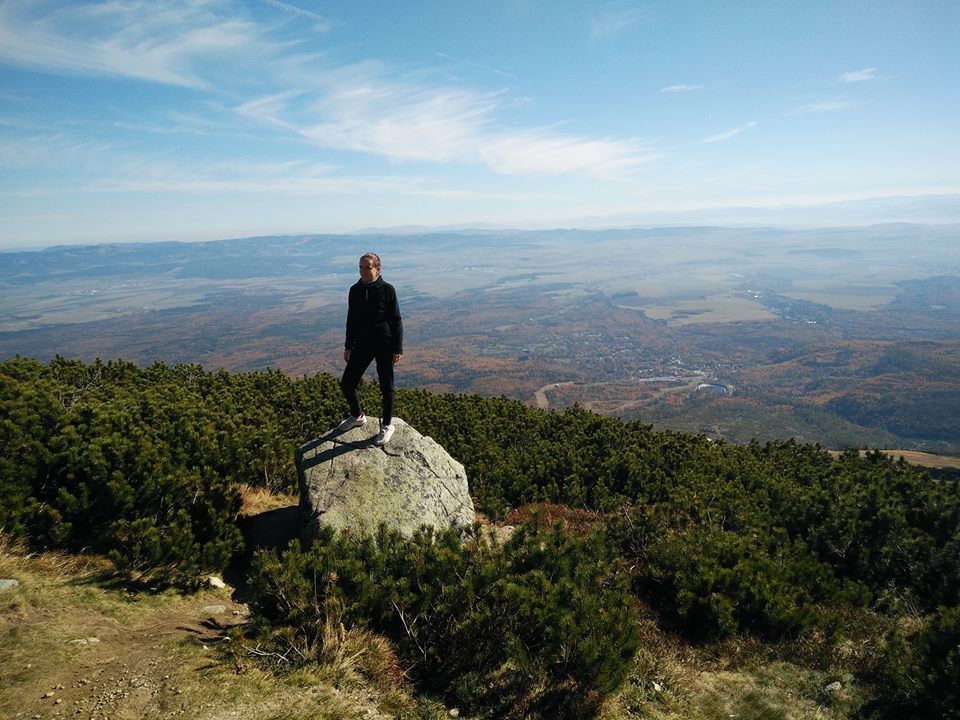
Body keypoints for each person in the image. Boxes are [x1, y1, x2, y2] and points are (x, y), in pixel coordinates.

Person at [338, 252, 403, 445]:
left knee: (387, 386)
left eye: (368, 267)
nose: (363, 271)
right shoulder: (355, 290)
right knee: (347, 383)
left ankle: (387, 426)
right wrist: (348, 345)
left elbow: (397, 320)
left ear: (378, 269)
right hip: (362, 344)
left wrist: (397, 348)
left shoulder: (387, 289)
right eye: (361, 267)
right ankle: (358, 416)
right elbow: (351, 320)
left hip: (384, 343)